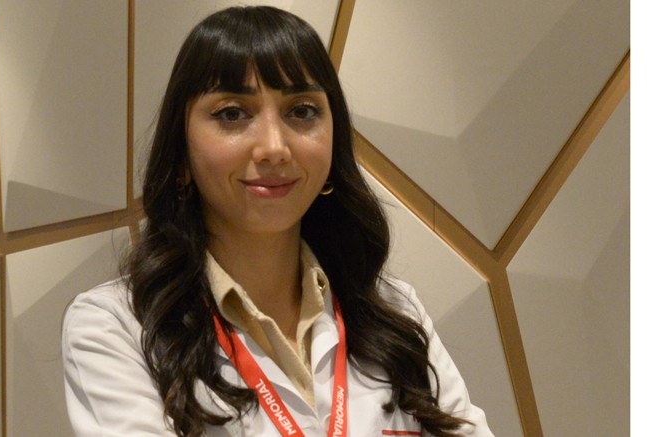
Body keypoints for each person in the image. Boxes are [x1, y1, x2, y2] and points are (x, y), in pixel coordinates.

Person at [62, 5, 494, 437]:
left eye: (301, 111)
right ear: (182, 155)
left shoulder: (394, 312)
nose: (273, 147)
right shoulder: (115, 327)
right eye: (232, 113)